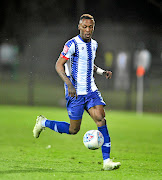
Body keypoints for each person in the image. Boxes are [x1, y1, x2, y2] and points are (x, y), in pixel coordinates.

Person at [33, 14, 121, 171]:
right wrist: (69, 84)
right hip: (75, 93)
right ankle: (43, 123)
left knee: (101, 118)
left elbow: (89, 63)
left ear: (94, 28)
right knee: (74, 130)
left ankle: (106, 161)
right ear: (79, 27)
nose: (88, 30)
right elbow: (58, 65)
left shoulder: (94, 44)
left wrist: (102, 72)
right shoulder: (72, 43)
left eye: (91, 27)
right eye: (85, 27)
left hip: (91, 91)